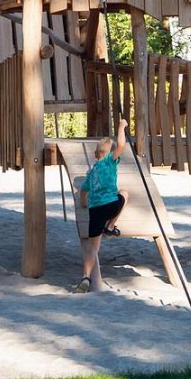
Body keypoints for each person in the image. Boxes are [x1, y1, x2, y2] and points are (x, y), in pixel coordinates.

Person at [73, 119, 128, 294]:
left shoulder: (92, 172)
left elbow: (83, 191)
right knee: (124, 194)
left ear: (95, 154)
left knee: (92, 247)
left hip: (95, 210)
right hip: (110, 205)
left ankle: (85, 277)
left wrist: (83, 205)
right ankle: (110, 226)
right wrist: (121, 126)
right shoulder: (110, 161)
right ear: (110, 153)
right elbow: (121, 144)